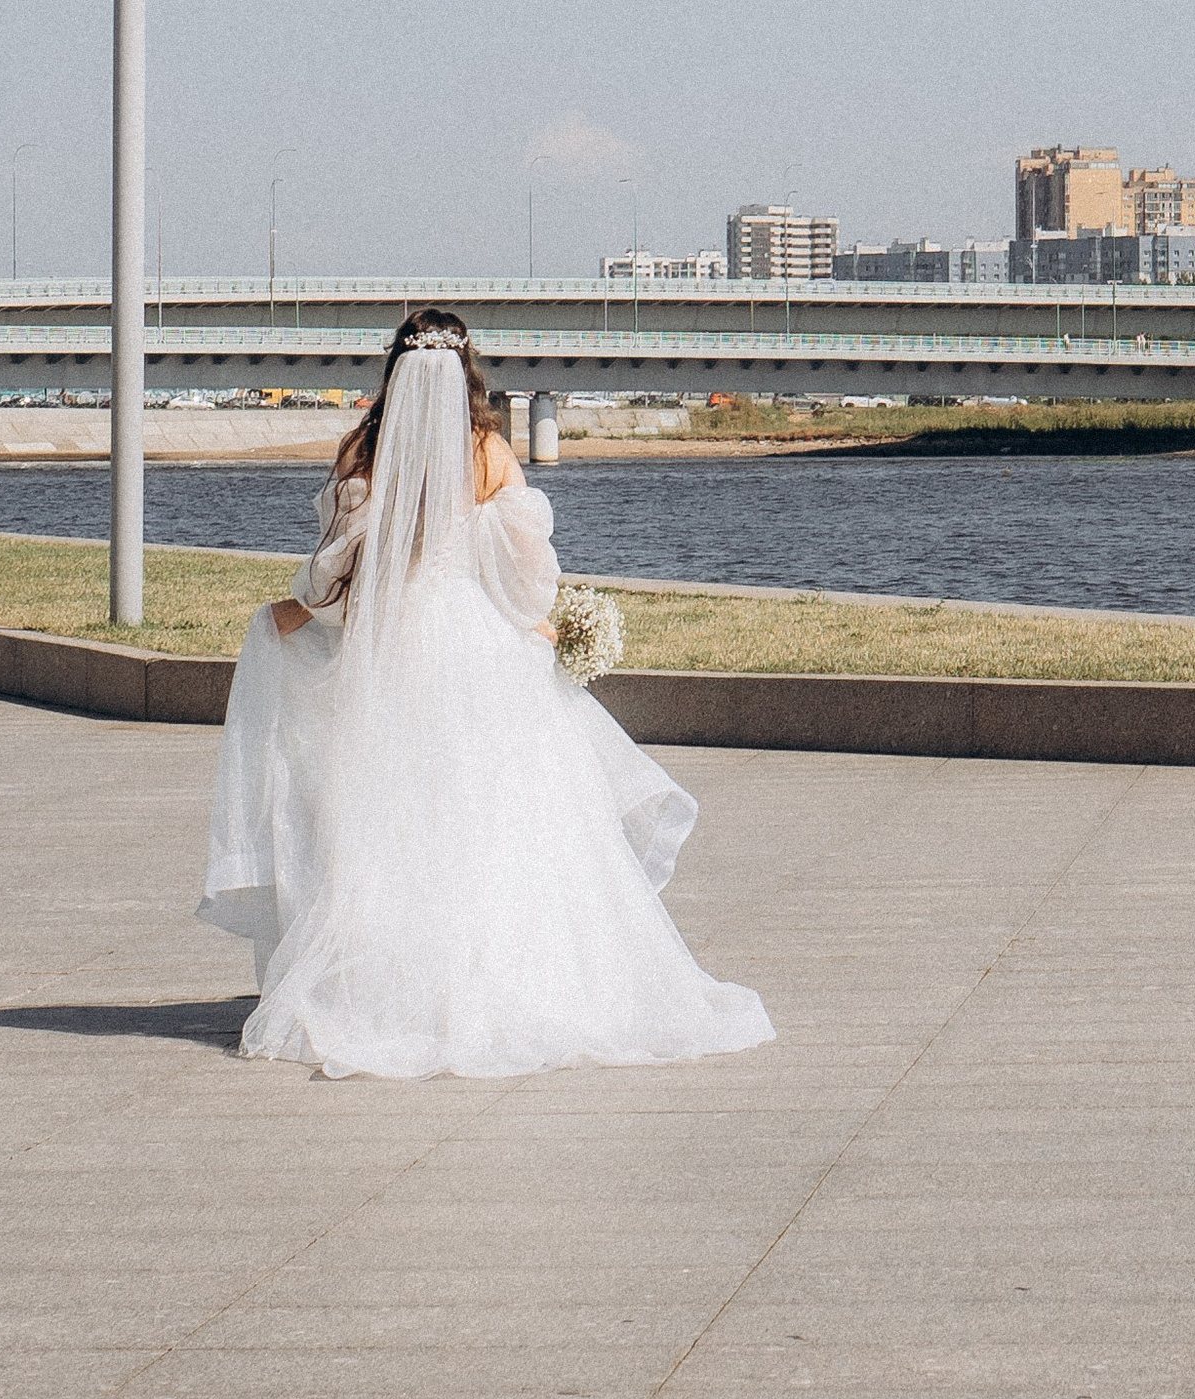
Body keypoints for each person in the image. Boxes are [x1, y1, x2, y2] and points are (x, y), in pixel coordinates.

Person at [197, 306, 774, 1082]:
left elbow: (337, 579)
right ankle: (507, 977)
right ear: (469, 370)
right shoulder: (489, 453)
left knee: (391, 812)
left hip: (390, 649)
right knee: (497, 814)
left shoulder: (362, 453)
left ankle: (393, 983)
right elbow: (529, 575)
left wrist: (294, 614)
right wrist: (541, 628)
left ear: (395, 368)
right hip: (475, 645)